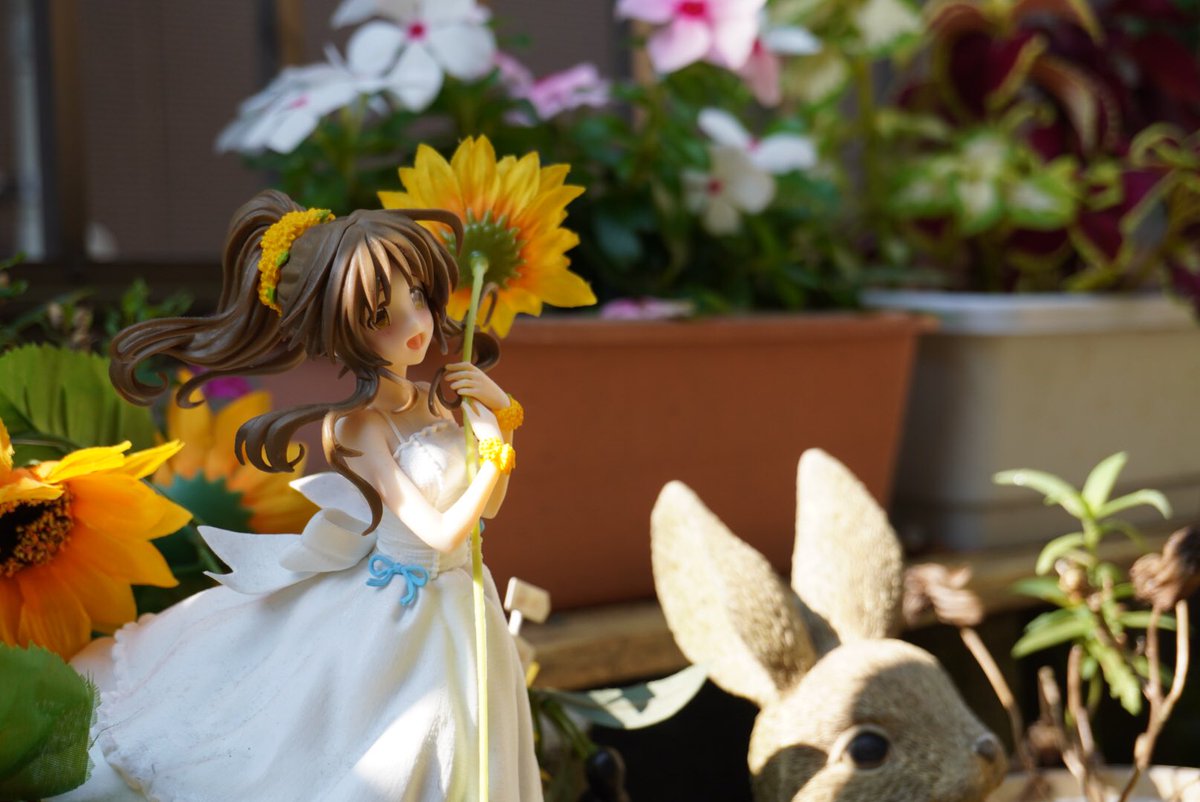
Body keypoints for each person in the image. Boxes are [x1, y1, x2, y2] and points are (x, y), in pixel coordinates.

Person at [59, 190, 541, 801]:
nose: (416, 324)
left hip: (464, 602)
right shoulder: (359, 427)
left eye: (417, 296)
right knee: (392, 751)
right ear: (338, 330)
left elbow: (486, 511)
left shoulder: (432, 400)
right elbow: (440, 534)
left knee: (473, 742)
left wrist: (501, 418)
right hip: (401, 614)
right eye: (382, 315)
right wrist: (494, 450)